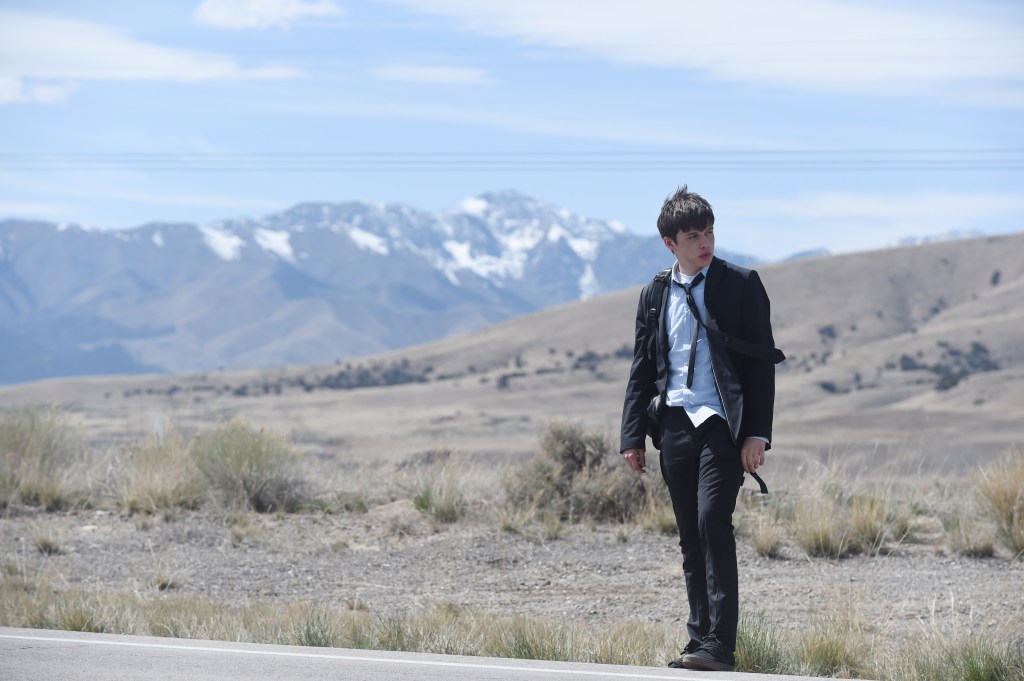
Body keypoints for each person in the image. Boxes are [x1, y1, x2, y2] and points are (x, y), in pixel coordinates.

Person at [620, 185, 779, 672]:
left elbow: (761, 364)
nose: (705, 242)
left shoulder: (742, 284)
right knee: (690, 533)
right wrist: (631, 436)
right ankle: (698, 640)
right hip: (672, 422)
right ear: (670, 242)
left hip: (721, 423)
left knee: (714, 518)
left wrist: (757, 432)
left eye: (708, 232)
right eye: (693, 236)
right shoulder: (655, 293)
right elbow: (642, 366)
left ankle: (720, 644)